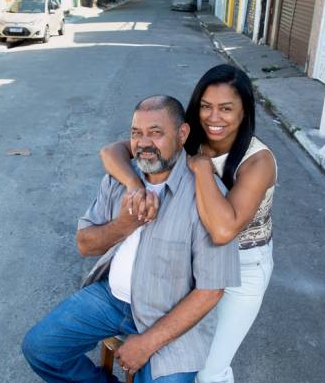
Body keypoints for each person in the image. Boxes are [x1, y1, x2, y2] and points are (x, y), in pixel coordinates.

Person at [22, 95, 241, 383]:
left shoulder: (206, 195)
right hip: (112, 299)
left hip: (171, 318)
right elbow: (84, 244)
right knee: (40, 348)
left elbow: (211, 290)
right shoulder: (121, 178)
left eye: (155, 132)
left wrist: (148, 342)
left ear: (182, 134)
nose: (144, 143)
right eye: (136, 133)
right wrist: (124, 225)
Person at [99, 64, 277, 383]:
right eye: (206, 107)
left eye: (226, 109)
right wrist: (134, 184)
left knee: (209, 368)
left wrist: (203, 169)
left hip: (243, 267)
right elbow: (111, 152)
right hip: (191, 260)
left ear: (245, 111)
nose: (213, 118)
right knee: (172, 350)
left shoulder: (258, 161)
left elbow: (224, 230)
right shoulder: (188, 136)